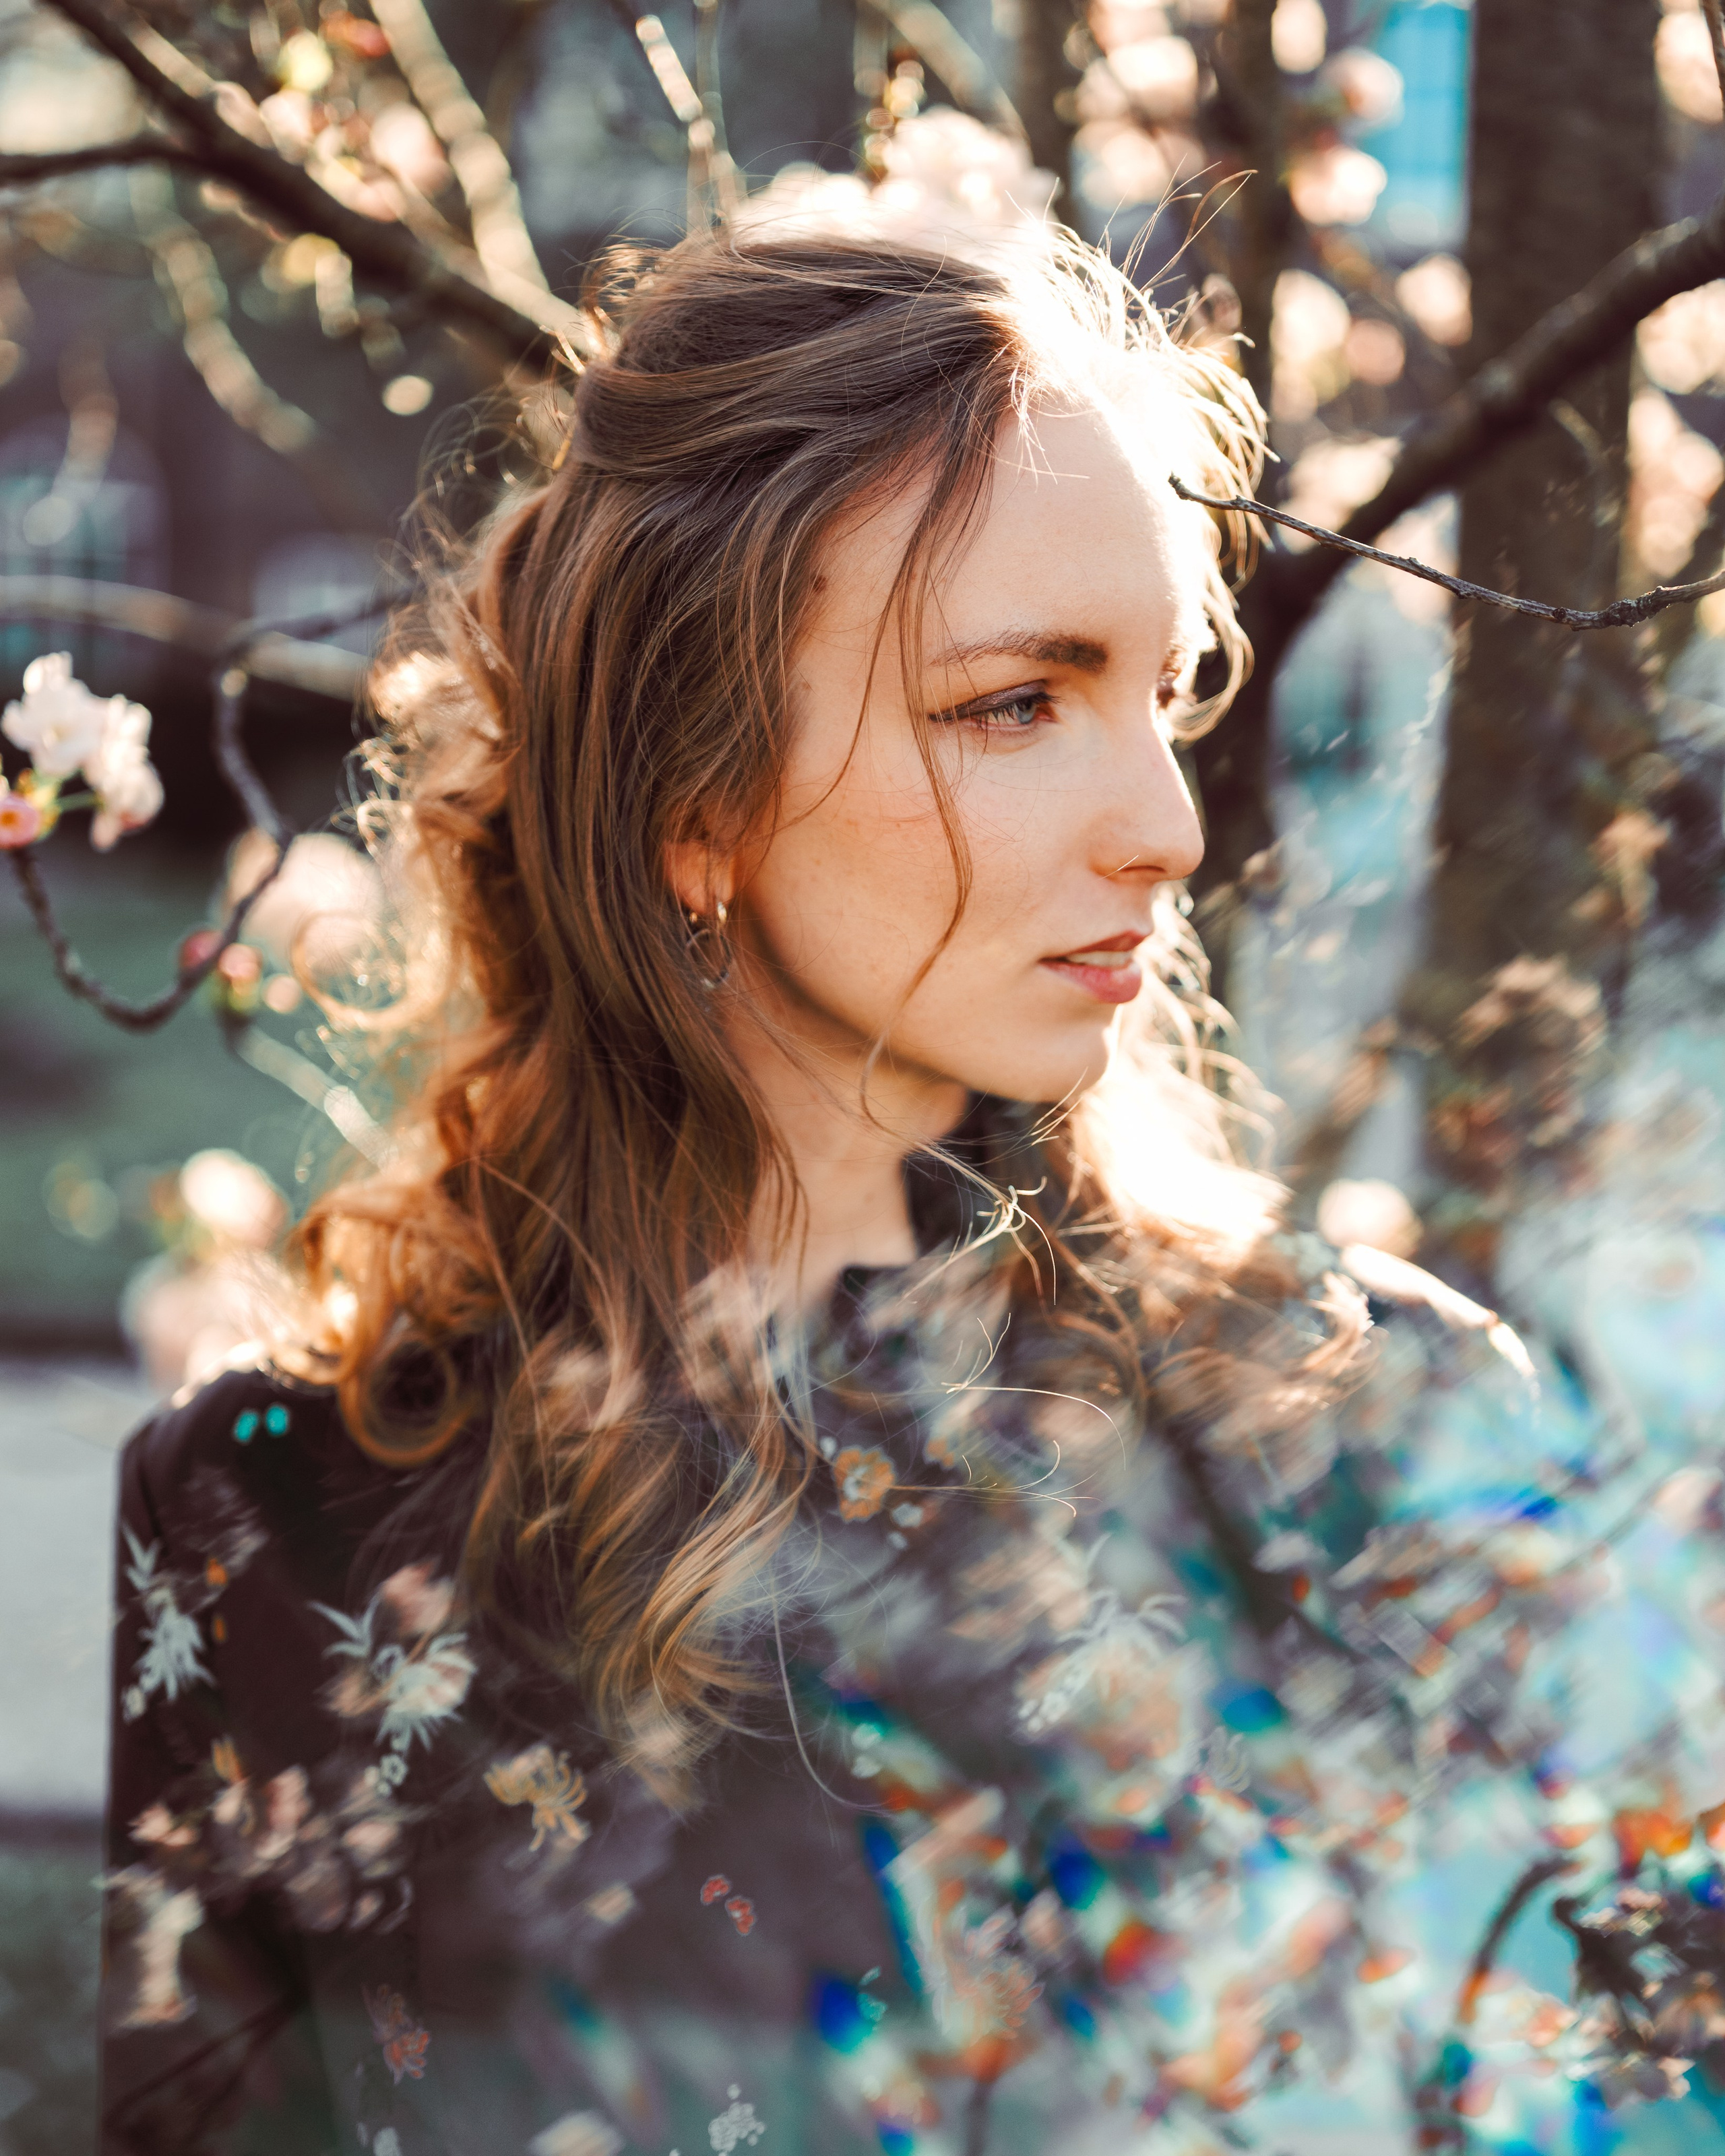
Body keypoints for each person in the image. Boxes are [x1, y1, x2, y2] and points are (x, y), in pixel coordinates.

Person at [98, 226, 1725, 2156]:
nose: (1170, 822)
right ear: (693, 803)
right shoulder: (277, 1520)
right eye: (1018, 701)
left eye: (1161, 689)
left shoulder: (1384, 1425)